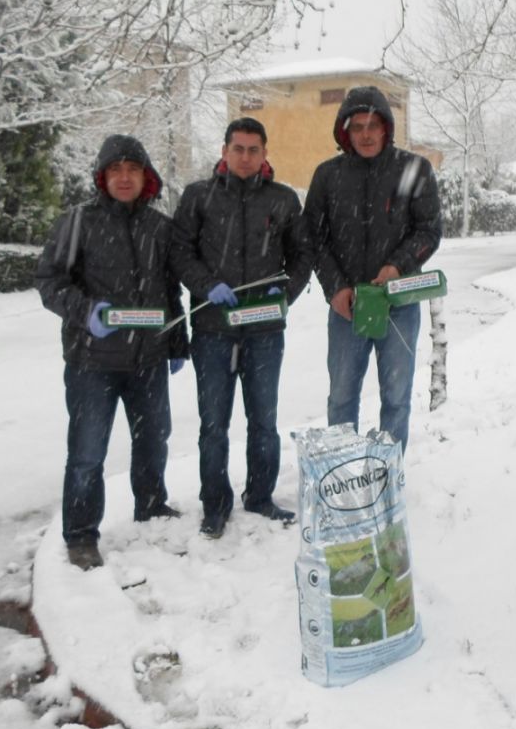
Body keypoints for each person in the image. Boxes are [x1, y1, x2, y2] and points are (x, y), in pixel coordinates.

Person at [36, 134, 188, 570]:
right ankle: (81, 534)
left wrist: (177, 342)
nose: (125, 178)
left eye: (133, 170)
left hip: (148, 359)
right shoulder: (77, 222)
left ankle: (152, 503)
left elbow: (169, 290)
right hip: (92, 363)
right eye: (116, 170)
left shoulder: (159, 227)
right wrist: (87, 312)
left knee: (154, 438)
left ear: (146, 177)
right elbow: (50, 281)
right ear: (103, 177)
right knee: (87, 452)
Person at [172, 117, 313, 539]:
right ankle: (214, 505)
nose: (246, 157)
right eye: (239, 148)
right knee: (213, 423)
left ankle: (260, 495)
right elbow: (180, 251)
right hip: (214, 328)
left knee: (263, 420)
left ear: (265, 153)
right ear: (225, 151)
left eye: (254, 149)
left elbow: (302, 256)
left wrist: (283, 291)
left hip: (265, 329)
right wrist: (204, 285)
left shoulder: (283, 200)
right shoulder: (199, 197)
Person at [303, 86, 441, 453]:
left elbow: (429, 230)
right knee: (342, 396)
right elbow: (314, 240)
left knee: (396, 396)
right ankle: (345, 469)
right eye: (357, 126)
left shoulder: (414, 170)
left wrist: (398, 265)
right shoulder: (328, 176)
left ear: (386, 128)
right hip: (347, 307)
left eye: (373, 126)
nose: (365, 134)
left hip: (398, 304)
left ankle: (386, 471)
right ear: (345, 132)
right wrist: (335, 288)